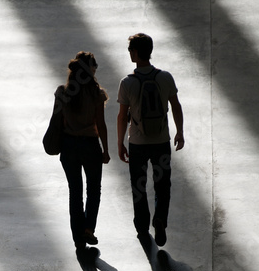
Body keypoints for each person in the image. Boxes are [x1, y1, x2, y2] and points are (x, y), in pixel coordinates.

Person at [117, 33, 184, 247]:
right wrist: (180, 132)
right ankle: (160, 220)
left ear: (136, 53)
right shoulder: (165, 77)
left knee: (139, 185)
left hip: (137, 143)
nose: (129, 53)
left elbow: (121, 116)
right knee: (162, 184)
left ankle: (142, 225)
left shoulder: (127, 82)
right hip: (161, 141)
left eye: (130, 50)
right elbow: (175, 105)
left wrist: (120, 142)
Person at [54, 51, 110, 251]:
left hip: (69, 146)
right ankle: (88, 228)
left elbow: (58, 122)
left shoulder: (63, 92)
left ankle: (77, 237)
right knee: (93, 190)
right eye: (95, 66)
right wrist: (106, 150)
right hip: (90, 145)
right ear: (91, 69)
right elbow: (101, 125)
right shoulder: (96, 94)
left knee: (75, 192)